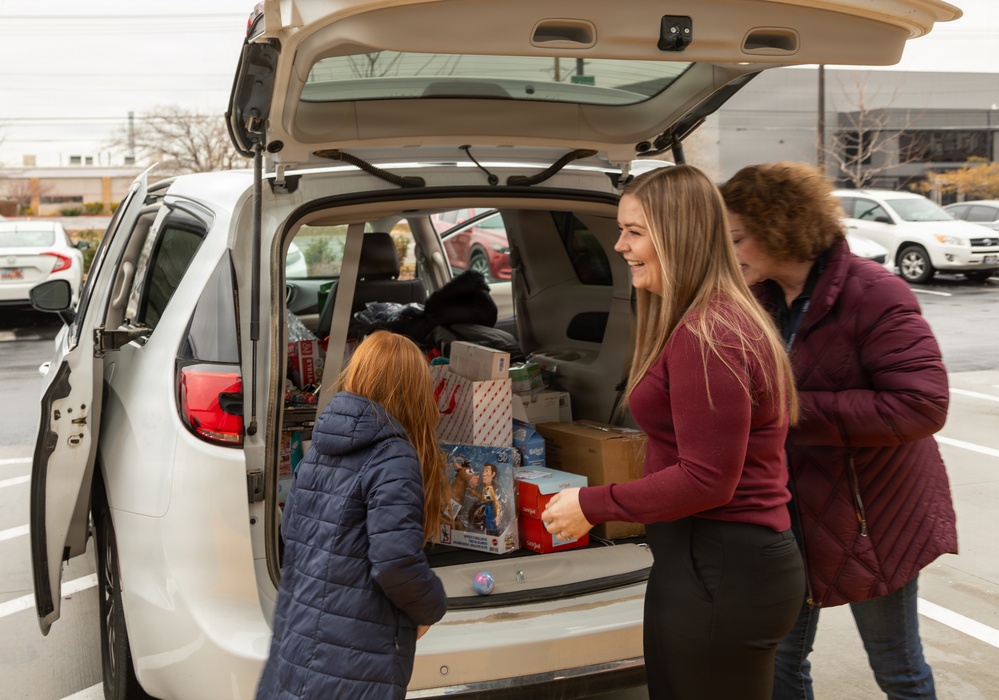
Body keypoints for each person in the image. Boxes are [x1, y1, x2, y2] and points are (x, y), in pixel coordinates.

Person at [541, 164, 806, 700]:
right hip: (703, 560)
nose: (618, 246)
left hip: (725, 565)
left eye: (634, 232)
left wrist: (593, 502)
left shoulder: (711, 337)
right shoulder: (704, 322)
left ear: (678, 235)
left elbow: (707, 480)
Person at [719, 161, 958, 700]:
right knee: (780, 660)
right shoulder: (757, 297)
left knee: (896, 663)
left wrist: (790, 410)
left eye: (737, 237)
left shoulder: (876, 294)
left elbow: (922, 406)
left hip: (870, 516)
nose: (729, 252)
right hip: (785, 512)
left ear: (781, 227)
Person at [256, 330, 450, 700]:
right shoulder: (394, 456)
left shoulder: (320, 448)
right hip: (355, 664)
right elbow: (396, 563)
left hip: (297, 647)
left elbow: (292, 535)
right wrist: (431, 607)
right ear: (415, 392)